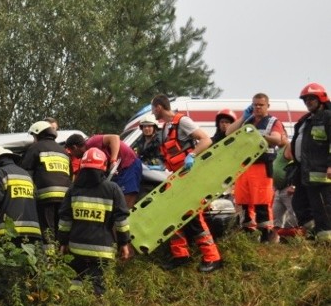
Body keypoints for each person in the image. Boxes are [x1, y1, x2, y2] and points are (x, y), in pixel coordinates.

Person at [151, 94, 223, 272]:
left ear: (159, 107)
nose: (152, 113)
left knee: (193, 218)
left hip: (189, 178)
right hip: (176, 178)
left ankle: (213, 258)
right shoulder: (167, 127)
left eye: (153, 109)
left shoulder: (182, 121)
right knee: (172, 217)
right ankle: (180, 255)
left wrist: (192, 155)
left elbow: (205, 139)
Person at [57, 148, 131, 295]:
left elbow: (65, 221)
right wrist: (124, 243)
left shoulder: (73, 190)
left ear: (82, 167)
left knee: (75, 282)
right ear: (103, 167)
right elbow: (121, 221)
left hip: (76, 247)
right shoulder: (113, 189)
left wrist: (63, 242)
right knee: (97, 285)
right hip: (102, 250)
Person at [226, 93, 285, 243]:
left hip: (261, 167)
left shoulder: (273, 122)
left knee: (261, 202)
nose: (257, 107)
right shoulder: (248, 121)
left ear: (267, 106)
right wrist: (242, 117)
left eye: (260, 105)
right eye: (255, 105)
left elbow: (278, 139)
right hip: (245, 167)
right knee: (243, 200)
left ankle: (265, 235)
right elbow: (228, 132)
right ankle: (248, 233)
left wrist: (259, 136)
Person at [288, 83, 331, 242]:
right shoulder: (305, 120)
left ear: (321, 99)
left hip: (321, 172)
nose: (308, 102)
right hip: (304, 171)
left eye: (312, 98)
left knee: (322, 208)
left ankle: (326, 245)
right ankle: (314, 232)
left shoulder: (327, 117)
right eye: (305, 99)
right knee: (299, 204)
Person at [0, 145, 42, 244]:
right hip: (33, 230)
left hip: (8, 231)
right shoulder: (26, 175)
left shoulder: (0, 173)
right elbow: (36, 197)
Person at [20, 120, 71, 238]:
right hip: (64, 197)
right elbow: (70, 174)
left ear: (38, 134)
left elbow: (25, 171)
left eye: (33, 136)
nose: (33, 139)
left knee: (47, 229)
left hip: (45, 196)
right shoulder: (63, 151)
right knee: (61, 227)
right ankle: (59, 253)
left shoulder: (35, 147)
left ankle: (49, 255)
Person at [66, 133, 143, 209]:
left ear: (74, 147)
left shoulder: (92, 142)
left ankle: (126, 218)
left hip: (129, 164)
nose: (72, 155)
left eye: (70, 152)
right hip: (117, 171)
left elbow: (114, 137)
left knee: (126, 199)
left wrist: (113, 160)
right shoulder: (86, 156)